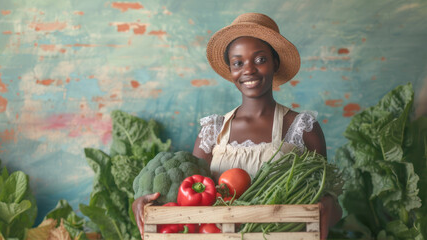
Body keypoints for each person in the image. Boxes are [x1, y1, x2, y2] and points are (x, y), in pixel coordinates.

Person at [132, 12, 342, 240]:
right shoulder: (212, 131)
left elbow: (332, 207)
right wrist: (147, 204)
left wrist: (327, 205)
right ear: (231, 70)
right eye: (238, 63)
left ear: (275, 63)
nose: (248, 70)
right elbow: (188, 201)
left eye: (260, 59)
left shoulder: (301, 127)